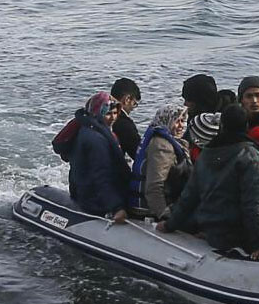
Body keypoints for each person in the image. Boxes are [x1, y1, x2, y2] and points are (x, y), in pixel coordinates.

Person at [158, 105, 259, 260]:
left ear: (222, 126)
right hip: (236, 235)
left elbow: (189, 197)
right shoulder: (250, 156)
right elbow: (252, 204)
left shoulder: (206, 154)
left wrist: (170, 224)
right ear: (246, 126)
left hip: (211, 229)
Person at [67, 92, 132, 222]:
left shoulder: (86, 128)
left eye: (115, 113)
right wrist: (117, 207)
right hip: (92, 199)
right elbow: (101, 175)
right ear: (97, 113)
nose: (112, 118)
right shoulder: (96, 140)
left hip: (81, 191)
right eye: (108, 114)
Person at [129, 104, 192, 220]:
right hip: (149, 210)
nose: (181, 126)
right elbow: (154, 186)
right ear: (167, 120)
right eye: (177, 121)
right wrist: (165, 216)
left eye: (183, 121)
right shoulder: (162, 146)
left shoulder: (167, 140)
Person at [110, 78, 142, 161]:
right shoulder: (124, 124)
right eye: (134, 103)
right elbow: (139, 154)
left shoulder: (98, 114)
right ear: (127, 99)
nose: (133, 108)